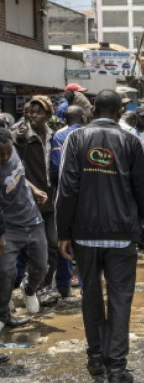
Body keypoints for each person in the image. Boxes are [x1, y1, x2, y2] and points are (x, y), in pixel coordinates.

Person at [57, 89, 144, 383]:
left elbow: (67, 189)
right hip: (121, 235)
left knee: (90, 296)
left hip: (85, 236)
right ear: (119, 112)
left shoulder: (75, 140)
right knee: (120, 301)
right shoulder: (130, 141)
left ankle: (95, 359)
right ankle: (117, 369)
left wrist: (63, 233)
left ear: (92, 111)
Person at [0, 128, 48, 330]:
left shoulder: (15, 152)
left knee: (41, 266)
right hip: (8, 227)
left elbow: (20, 175)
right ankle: (4, 315)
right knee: (4, 272)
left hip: (33, 220)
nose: (4, 157)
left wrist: (34, 188)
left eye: (7, 152)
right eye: (0, 155)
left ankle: (29, 289)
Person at [13, 96, 56, 303]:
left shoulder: (52, 135)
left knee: (54, 244)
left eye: (39, 112)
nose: (34, 116)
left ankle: (40, 285)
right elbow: (14, 168)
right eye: (31, 112)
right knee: (30, 248)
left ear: (48, 115)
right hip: (29, 200)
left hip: (51, 199)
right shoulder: (21, 135)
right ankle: (28, 287)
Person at [49, 105, 86, 298]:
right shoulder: (90, 135)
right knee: (85, 241)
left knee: (64, 236)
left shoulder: (59, 137)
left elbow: (55, 170)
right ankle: (85, 284)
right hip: (89, 198)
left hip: (64, 195)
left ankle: (64, 286)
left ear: (65, 119)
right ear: (83, 117)